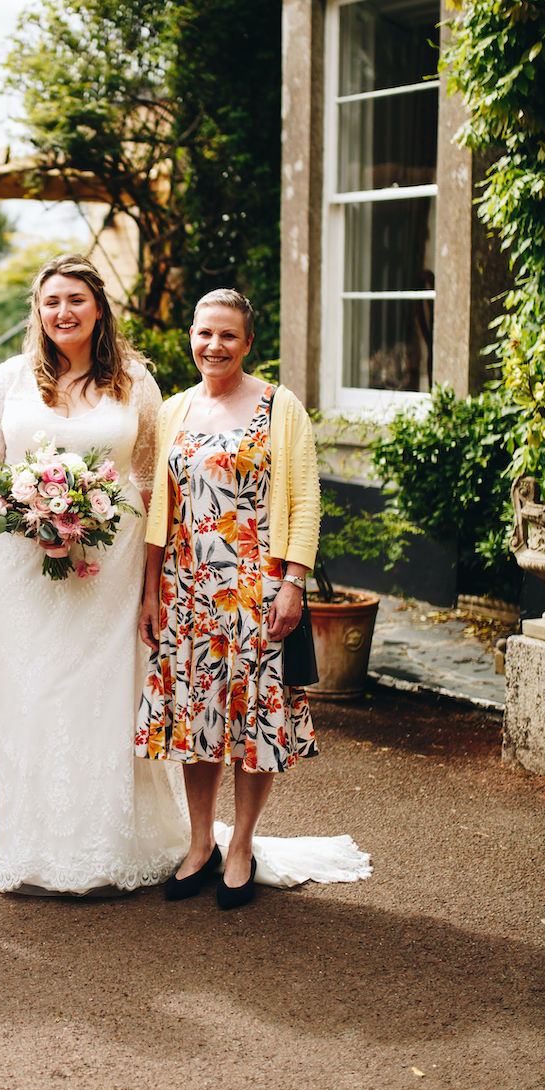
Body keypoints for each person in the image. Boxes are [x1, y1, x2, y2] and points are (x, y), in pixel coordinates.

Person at [0, 254, 190, 894]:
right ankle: (35, 851)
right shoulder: (9, 380)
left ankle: (106, 849)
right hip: (21, 563)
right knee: (31, 691)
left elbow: (150, 479)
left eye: (76, 301)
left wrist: (151, 580)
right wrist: (22, 505)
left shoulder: (136, 383)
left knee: (104, 694)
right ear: (37, 309)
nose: (63, 312)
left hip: (109, 564)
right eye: (51, 301)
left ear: (98, 309)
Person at [137, 288, 320, 910]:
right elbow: (160, 508)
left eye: (228, 336)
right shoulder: (174, 410)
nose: (213, 346)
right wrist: (150, 590)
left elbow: (304, 501)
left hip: (258, 590)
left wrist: (294, 580)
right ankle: (199, 844)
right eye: (204, 333)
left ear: (248, 343)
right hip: (187, 592)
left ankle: (241, 843)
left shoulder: (280, 406)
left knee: (256, 720)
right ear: (190, 335)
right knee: (197, 722)